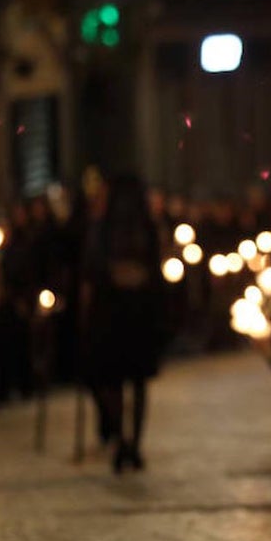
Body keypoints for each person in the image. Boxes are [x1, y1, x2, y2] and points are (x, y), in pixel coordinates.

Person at [79, 173, 164, 473]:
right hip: (128, 311)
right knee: (131, 381)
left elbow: (93, 269)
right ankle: (130, 444)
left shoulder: (108, 227)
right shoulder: (135, 227)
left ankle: (125, 443)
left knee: (116, 380)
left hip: (117, 312)